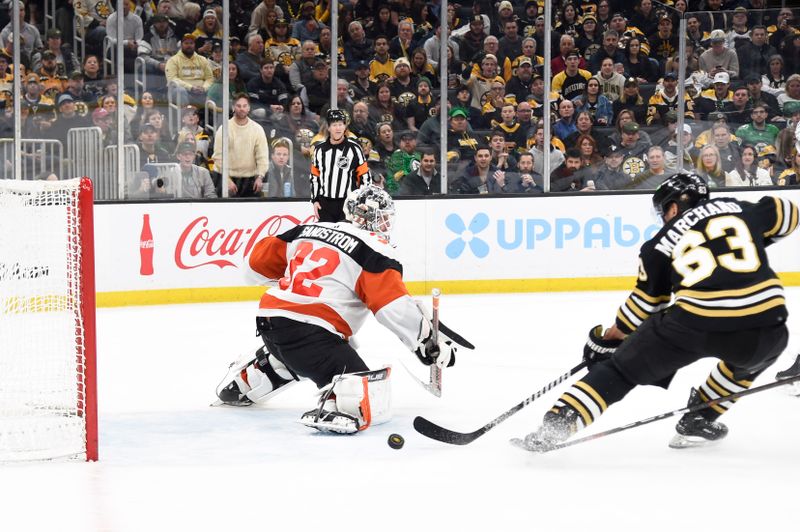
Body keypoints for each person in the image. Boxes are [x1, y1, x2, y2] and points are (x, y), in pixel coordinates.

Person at [516, 172, 799, 452]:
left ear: (673, 207)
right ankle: (701, 417)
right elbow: (789, 213)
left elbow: (645, 305)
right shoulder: (738, 208)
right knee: (751, 362)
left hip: (694, 323)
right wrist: (758, 238)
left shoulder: (658, 244)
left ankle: (558, 424)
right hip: (767, 322)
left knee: (620, 371)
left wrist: (612, 341)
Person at [215, 184, 457, 434]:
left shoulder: (310, 229)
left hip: (270, 322)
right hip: (311, 334)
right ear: (374, 218)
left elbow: (253, 267)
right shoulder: (375, 250)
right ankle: (336, 405)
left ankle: (253, 377)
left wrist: (291, 283)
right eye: (384, 219)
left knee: (338, 346)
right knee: (363, 392)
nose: (386, 225)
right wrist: (427, 342)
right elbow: (391, 306)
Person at [311, 109, 371, 223]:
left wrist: (362, 201)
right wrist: (315, 200)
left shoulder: (354, 149)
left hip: (348, 203)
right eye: (334, 125)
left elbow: (365, 177)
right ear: (328, 127)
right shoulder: (319, 150)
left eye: (340, 124)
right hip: (325, 204)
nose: (338, 128)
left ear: (345, 127)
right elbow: (315, 177)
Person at [211, 93, 269, 198]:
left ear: (249, 108)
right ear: (233, 107)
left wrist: (260, 177)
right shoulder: (224, 128)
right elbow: (218, 157)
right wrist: (227, 180)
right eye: (238, 106)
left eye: (244, 106)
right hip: (226, 177)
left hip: (250, 178)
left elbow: (262, 156)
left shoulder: (257, 129)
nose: (242, 109)